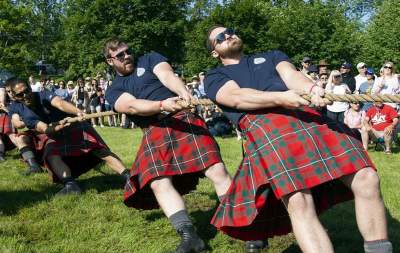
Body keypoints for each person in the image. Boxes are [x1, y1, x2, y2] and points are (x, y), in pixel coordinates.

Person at [205, 25, 392, 253]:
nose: (230, 35)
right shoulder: (215, 76)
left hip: (305, 114)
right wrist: (281, 98)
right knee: (299, 201)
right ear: (215, 52)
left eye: (231, 30)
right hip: (266, 126)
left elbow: (291, 75)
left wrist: (311, 88)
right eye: (221, 37)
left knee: (366, 177)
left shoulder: (271, 56)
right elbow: (234, 97)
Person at [103, 39, 232, 253]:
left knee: (215, 170)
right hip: (154, 129)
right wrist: (161, 105)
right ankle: (189, 236)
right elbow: (132, 106)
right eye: (120, 55)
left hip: (182, 117)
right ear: (110, 61)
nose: (127, 57)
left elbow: (166, 75)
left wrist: (182, 92)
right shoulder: (114, 89)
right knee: (157, 182)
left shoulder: (150, 58)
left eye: (128, 52)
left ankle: (243, 223)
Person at [6, 77, 130, 195]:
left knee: (98, 149)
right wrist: (55, 128)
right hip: (54, 132)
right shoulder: (21, 110)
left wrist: (77, 111)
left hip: (72, 124)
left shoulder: (43, 94)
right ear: (15, 96)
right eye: (20, 94)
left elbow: (60, 103)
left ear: (30, 88)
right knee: (51, 154)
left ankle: (128, 177)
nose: (25, 95)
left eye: (26, 91)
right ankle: (71, 185)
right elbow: (43, 128)